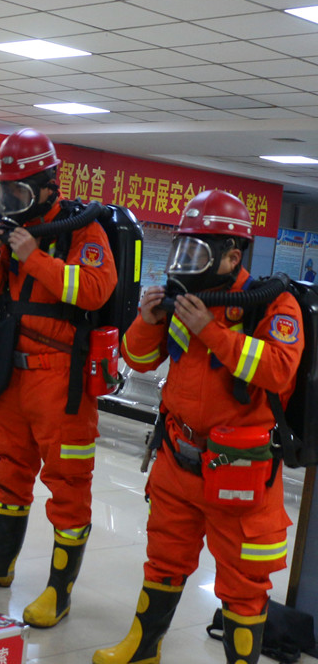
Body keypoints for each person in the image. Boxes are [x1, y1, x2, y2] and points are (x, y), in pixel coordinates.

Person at [95, 190, 302, 664]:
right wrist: (147, 321)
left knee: (243, 582)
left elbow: (278, 371)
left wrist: (211, 329)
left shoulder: (273, 304)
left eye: (198, 252)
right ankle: (143, 648)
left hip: (239, 471)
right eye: (182, 249)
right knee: (163, 558)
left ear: (232, 256)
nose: (185, 263)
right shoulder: (184, 300)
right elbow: (138, 359)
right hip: (177, 457)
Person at [0, 128, 117, 628]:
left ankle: (58, 592)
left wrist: (33, 256)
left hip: (62, 381)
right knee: (9, 471)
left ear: (46, 186)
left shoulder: (83, 229)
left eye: (18, 193)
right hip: (12, 375)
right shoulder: (8, 230)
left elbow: (94, 290)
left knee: (68, 484)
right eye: (4, 193)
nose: (9, 203)